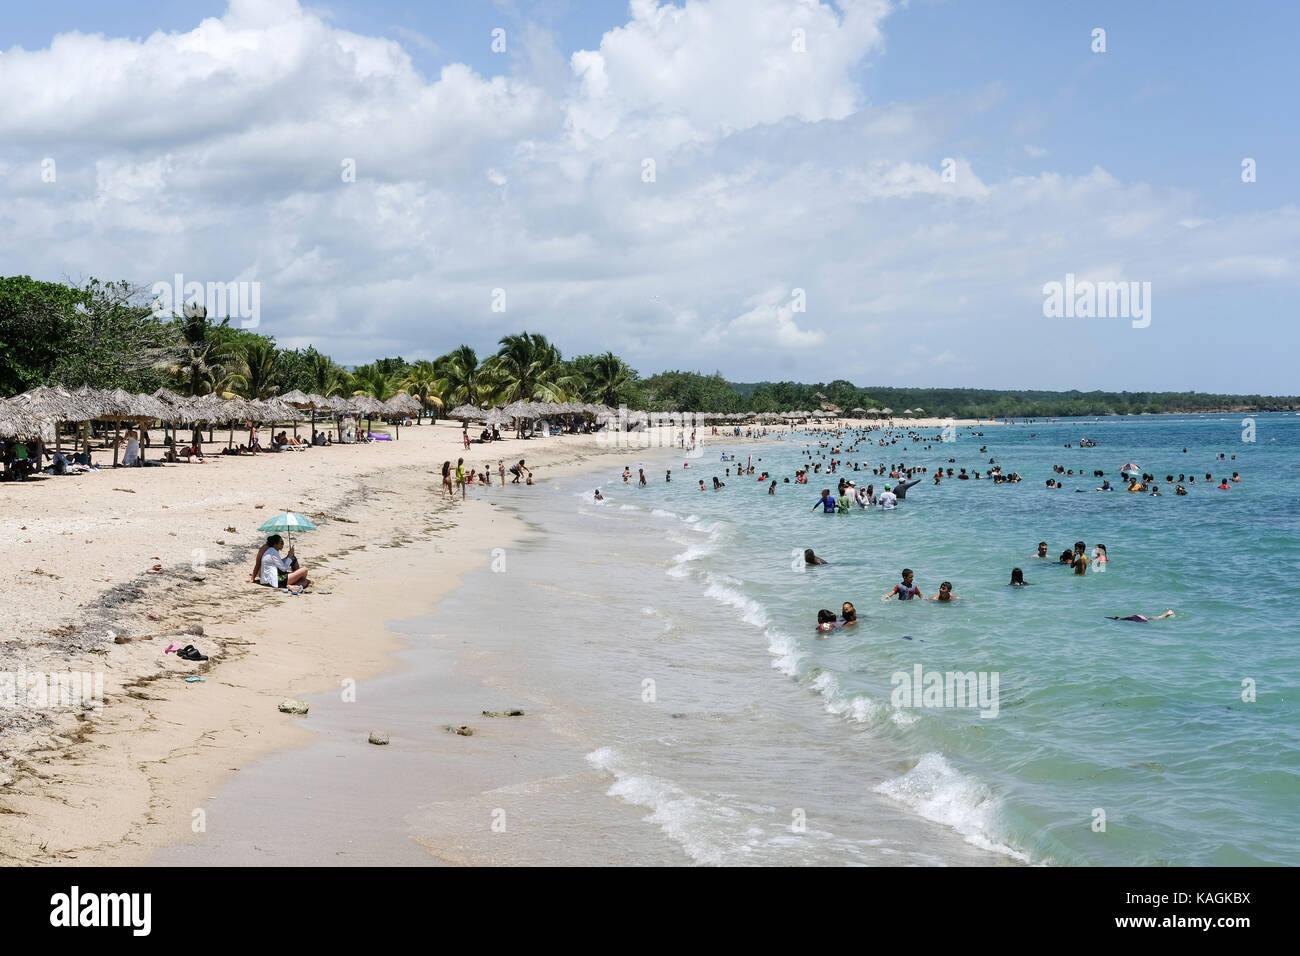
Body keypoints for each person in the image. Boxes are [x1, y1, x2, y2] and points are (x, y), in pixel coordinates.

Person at [1108, 611, 1175, 622]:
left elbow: (1116, 619)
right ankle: (1168, 614)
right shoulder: (1125, 618)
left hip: (1139, 619)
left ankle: (1167, 614)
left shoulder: (1123, 619)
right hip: (1138, 616)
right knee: (1153, 618)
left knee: (1151, 619)